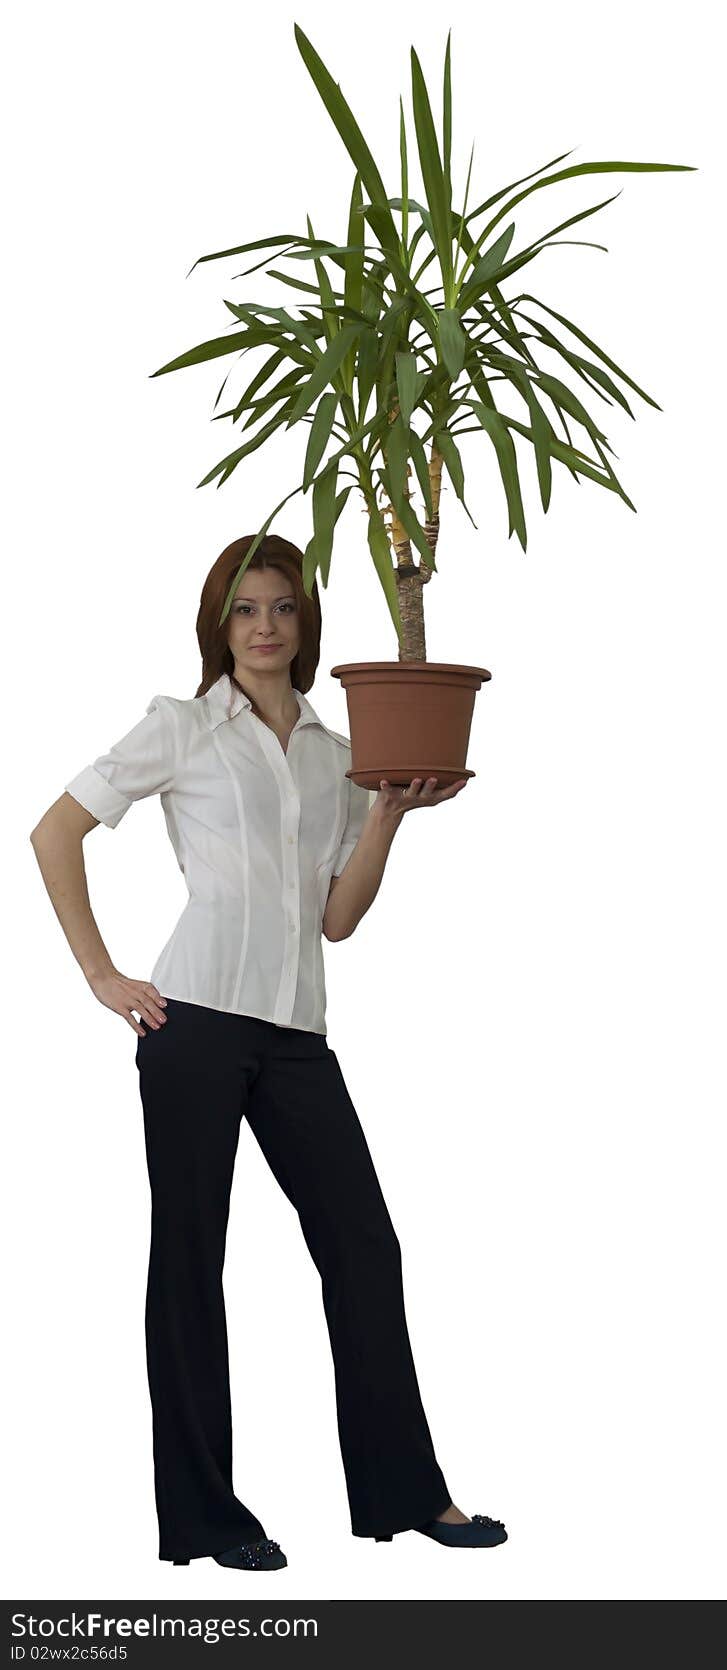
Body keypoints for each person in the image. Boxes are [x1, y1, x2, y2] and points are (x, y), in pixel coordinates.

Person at [29, 532, 508, 1570]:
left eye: (282, 608)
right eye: (244, 609)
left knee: (363, 1248)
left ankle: (407, 1493)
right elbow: (53, 832)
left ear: (306, 622)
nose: (263, 627)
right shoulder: (180, 729)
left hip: (296, 1035)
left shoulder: (337, 755)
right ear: (219, 623)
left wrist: (386, 816)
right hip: (192, 1019)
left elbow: (335, 917)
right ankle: (207, 1518)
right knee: (191, 1263)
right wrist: (102, 974)